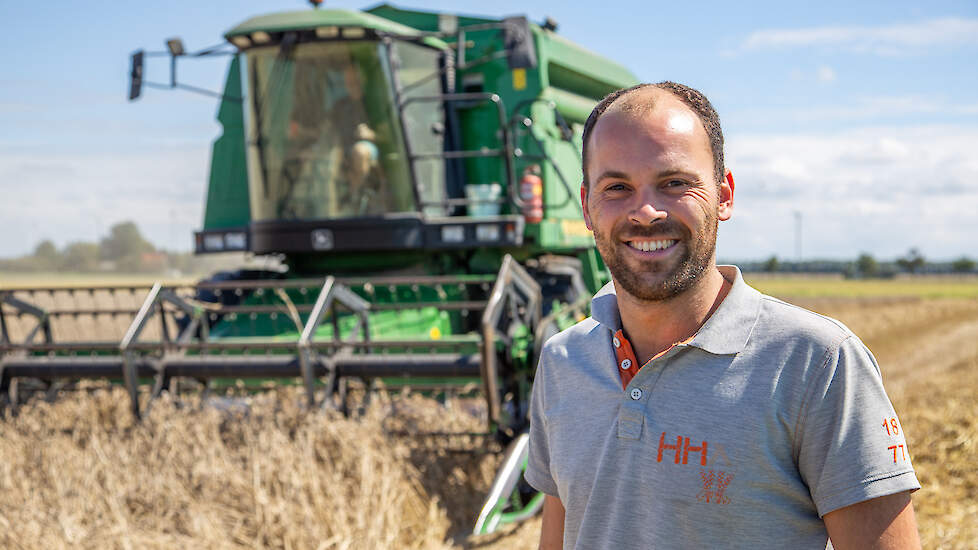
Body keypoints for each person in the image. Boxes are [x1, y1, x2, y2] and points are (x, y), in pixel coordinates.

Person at [526, 82, 921, 549]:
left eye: (675, 183)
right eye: (617, 187)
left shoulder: (817, 363)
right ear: (588, 208)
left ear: (724, 194)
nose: (647, 212)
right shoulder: (562, 361)